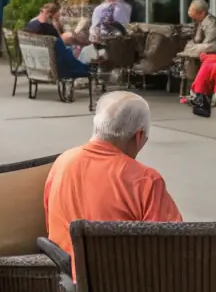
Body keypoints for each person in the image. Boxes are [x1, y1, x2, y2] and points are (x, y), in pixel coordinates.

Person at [44, 92, 182, 275]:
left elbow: (49, 224)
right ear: (139, 136)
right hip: (121, 290)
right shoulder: (145, 180)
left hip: (68, 282)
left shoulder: (62, 162)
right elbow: (172, 247)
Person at [179, 0, 216, 87]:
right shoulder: (201, 22)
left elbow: (210, 48)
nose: (193, 20)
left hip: (215, 56)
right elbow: (197, 40)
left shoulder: (213, 26)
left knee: (189, 57)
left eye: (194, 18)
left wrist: (189, 48)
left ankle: (195, 87)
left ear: (201, 13)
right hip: (207, 53)